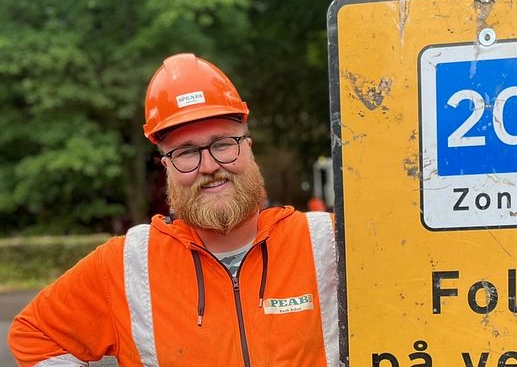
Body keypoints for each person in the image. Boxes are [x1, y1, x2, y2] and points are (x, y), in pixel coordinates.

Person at [8, 53, 339, 366]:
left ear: (248, 148)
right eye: (185, 152)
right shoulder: (128, 264)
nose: (209, 166)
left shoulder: (330, 241)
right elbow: (35, 335)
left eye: (223, 144)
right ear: (166, 165)